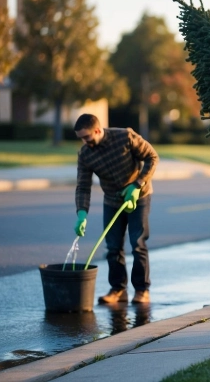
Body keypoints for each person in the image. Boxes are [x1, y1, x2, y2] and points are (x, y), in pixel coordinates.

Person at [73, 114, 159, 304]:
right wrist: (81, 214)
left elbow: (152, 157)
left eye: (86, 137)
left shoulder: (125, 137)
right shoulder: (85, 154)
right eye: (81, 138)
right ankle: (118, 289)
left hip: (139, 196)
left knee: (137, 244)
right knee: (113, 247)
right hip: (112, 200)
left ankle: (142, 290)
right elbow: (83, 186)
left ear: (97, 130)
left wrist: (137, 184)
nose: (84, 142)